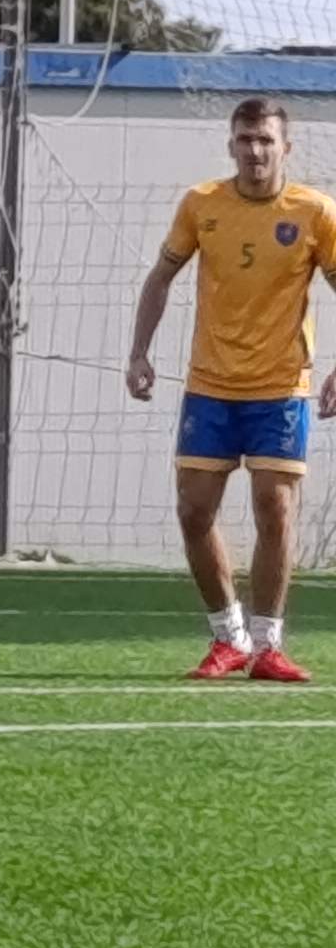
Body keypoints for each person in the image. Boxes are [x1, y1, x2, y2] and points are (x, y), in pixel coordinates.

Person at [126, 95, 336, 682]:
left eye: (266, 140)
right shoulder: (202, 204)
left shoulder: (316, 212)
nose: (255, 151)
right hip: (210, 385)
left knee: (275, 508)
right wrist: (139, 352)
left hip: (281, 388)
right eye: (245, 139)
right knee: (193, 511)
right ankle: (229, 637)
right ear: (231, 145)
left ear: (285, 148)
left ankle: (268, 645)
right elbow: (161, 277)